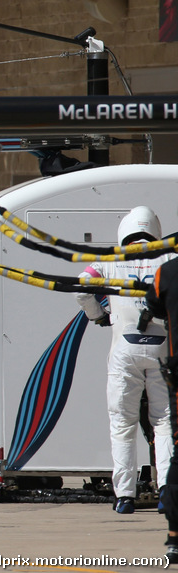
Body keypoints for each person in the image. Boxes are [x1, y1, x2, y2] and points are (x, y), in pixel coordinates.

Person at [76, 207, 173, 515]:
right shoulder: (169, 259)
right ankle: (166, 493)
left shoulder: (111, 260)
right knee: (165, 423)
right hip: (162, 349)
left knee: (122, 424)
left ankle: (125, 496)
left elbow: (82, 286)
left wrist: (99, 315)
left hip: (125, 352)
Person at [142, 254, 178, 562]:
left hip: (174, 369)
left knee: (124, 423)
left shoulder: (165, 271)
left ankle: (175, 535)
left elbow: (152, 306)